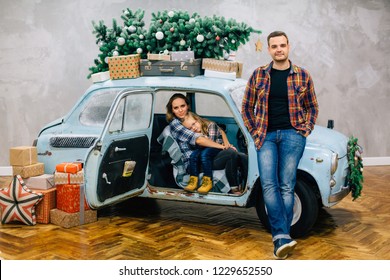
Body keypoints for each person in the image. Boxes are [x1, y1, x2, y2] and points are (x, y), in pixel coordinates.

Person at [241, 31, 319, 259]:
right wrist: (256, 133)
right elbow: (246, 107)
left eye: (282, 45)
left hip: (292, 135)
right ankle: (283, 237)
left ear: (288, 47)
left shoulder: (303, 75)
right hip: (265, 135)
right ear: (268, 49)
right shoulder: (258, 75)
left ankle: (280, 238)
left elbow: (312, 107)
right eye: (274, 46)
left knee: (287, 185)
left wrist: (304, 131)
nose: (278, 49)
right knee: (268, 185)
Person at [166, 93, 247, 194]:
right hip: (193, 162)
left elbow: (218, 129)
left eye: (183, 106)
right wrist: (223, 147)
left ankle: (248, 186)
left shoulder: (190, 116)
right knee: (231, 154)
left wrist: (227, 144)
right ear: (172, 110)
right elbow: (199, 140)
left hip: (203, 156)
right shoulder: (176, 124)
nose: (180, 110)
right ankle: (234, 189)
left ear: (187, 106)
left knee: (242, 156)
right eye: (176, 108)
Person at [181, 112, 237, 194]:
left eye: (194, 124)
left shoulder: (211, 125)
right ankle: (193, 180)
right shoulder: (195, 134)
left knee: (204, 154)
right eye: (190, 128)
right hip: (205, 148)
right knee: (193, 156)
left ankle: (207, 180)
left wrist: (199, 138)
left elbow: (211, 143)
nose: (193, 128)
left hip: (216, 147)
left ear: (198, 119)